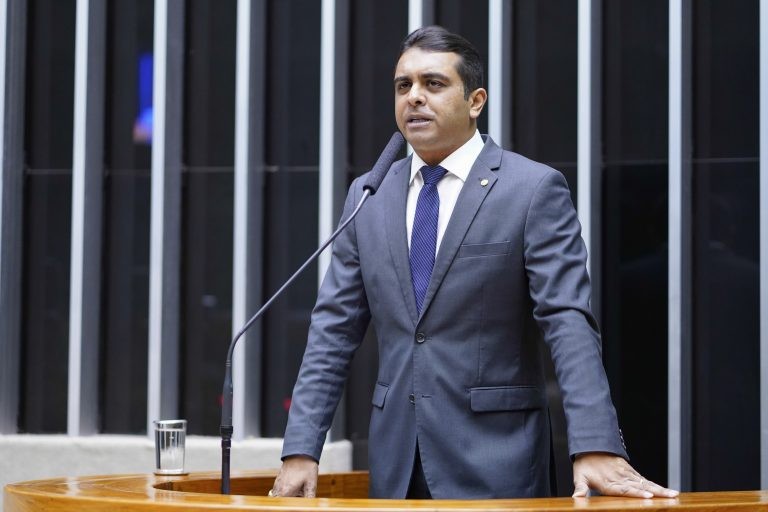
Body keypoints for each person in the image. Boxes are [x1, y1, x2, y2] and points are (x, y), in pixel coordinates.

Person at [270, 26, 678, 500]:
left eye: (433, 84)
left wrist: (594, 443)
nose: (415, 98)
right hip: (397, 464)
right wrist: (301, 447)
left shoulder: (531, 190)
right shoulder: (370, 195)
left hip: (497, 464)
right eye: (404, 86)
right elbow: (333, 329)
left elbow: (567, 320)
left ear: (476, 101)